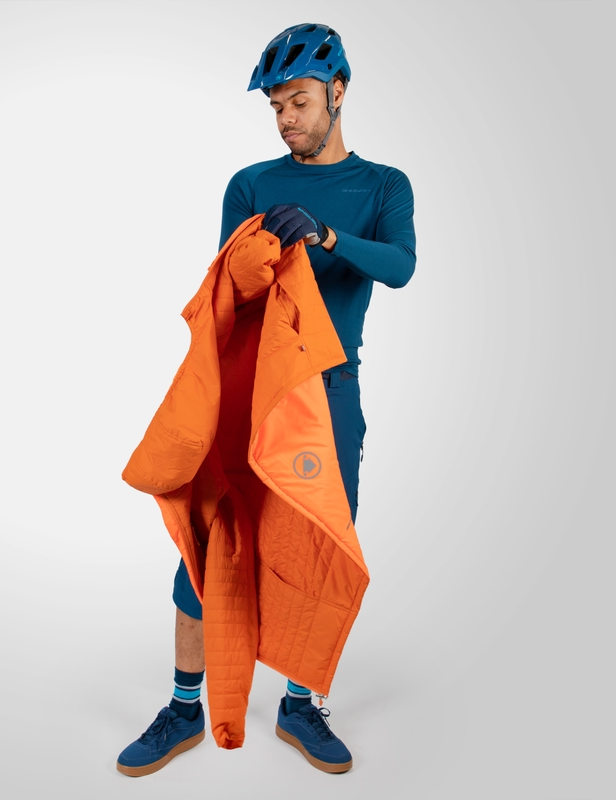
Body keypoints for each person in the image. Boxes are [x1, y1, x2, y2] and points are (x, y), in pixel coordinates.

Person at [117, 22, 416, 777]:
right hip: (248, 391)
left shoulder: (384, 186)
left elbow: (401, 267)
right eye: (276, 107)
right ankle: (185, 706)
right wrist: (256, 259)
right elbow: (228, 291)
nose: (285, 119)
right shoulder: (249, 184)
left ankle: (300, 706)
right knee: (211, 536)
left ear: (338, 93)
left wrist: (326, 237)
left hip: (329, 394)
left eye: (299, 102)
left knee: (315, 548)